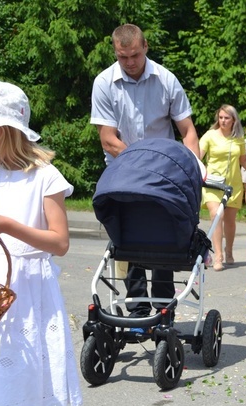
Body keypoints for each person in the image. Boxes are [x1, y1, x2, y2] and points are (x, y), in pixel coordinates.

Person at [0, 81, 82, 406]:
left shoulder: (44, 177)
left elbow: (60, 242)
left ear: (2, 131)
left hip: (29, 290)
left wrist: (10, 226)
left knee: (40, 376)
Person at [90, 23, 200, 319]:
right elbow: (108, 139)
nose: (129, 63)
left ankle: (163, 304)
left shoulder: (166, 80)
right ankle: (137, 307)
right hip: (123, 171)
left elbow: (188, 131)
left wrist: (193, 167)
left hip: (164, 174)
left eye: (135, 55)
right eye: (122, 57)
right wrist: (138, 165)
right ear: (115, 52)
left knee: (163, 240)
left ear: (145, 47)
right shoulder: (104, 83)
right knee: (128, 238)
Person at [200, 104, 246, 271]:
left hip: (233, 184)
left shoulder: (239, 138)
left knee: (230, 221)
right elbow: (198, 156)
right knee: (215, 214)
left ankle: (229, 250)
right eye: (220, 117)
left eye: (226, 118)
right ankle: (218, 255)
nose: (223, 121)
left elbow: (243, 161)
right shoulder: (210, 135)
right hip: (213, 184)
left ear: (233, 120)